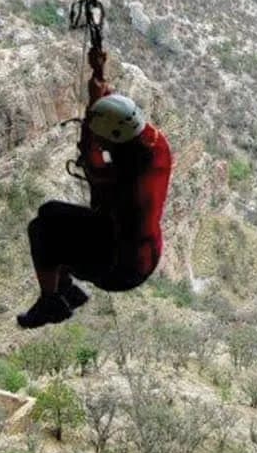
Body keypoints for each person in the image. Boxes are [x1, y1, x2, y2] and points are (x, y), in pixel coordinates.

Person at [16, 93, 174, 328]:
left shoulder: (126, 184)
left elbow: (91, 159)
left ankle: (50, 303)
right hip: (143, 250)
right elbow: (114, 119)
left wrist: (93, 105)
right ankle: (65, 290)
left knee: (40, 231)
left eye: (102, 138)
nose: (99, 141)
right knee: (48, 210)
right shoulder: (155, 144)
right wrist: (99, 89)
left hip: (121, 269)